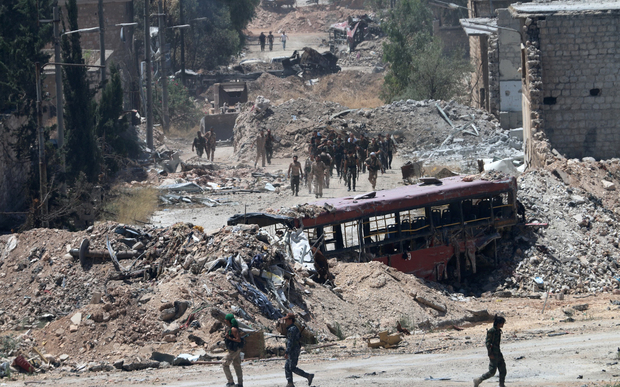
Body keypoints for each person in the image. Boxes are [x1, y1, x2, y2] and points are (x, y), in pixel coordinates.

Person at [473, 315, 507, 387]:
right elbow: (488, 343)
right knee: (492, 372)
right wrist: (490, 353)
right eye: (502, 323)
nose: (503, 324)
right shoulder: (491, 331)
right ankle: (478, 380)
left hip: (498, 353)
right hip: (493, 354)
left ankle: (502, 385)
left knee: (503, 370)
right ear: (498, 323)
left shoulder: (498, 331)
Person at [282, 313, 314, 387]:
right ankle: (290, 383)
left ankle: (308, 376)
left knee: (292, 367)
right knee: (287, 366)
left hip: (293, 350)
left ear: (291, 320)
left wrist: (287, 352)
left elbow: (290, 341)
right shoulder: (294, 328)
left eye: (287, 320)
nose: (286, 321)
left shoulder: (292, 329)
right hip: (294, 349)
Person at [223, 313, 243, 387]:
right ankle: (240, 384)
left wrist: (229, 337)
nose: (225, 320)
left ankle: (231, 382)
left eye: (226, 320)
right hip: (234, 349)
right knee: (237, 365)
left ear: (229, 321)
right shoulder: (231, 328)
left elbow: (238, 340)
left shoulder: (233, 329)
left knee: (224, 364)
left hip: (234, 350)